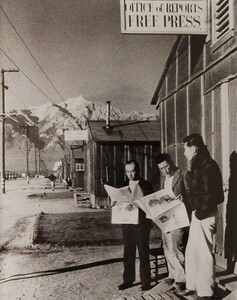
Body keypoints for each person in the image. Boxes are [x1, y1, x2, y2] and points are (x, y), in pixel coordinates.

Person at [179, 133, 224, 299]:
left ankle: (206, 293)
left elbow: (215, 195)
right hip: (199, 215)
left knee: (204, 253)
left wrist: (199, 212)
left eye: (186, 149)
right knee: (192, 252)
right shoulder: (199, 165)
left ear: (194, 149)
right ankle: (192, 286)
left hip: (205, 215)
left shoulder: (208, 166)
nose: (184, 153)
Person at [156, 153, 191, 292]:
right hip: (167, 218)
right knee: (167, 247)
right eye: (161, 169)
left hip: (180, 217)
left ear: (171, 162)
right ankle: (173, 275)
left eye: (166, 167)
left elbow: (192, 194)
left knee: (178, 247)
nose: (165, 170)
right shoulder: (165, 178)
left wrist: (184, 199)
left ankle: (182, 279)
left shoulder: (183, 174)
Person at [117, 160, 153, 291]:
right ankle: (128, 280)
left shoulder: (145, 185)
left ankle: (146, 282)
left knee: (143, 252)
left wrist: (141, 204)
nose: (130, 174)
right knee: (128, 252)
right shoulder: (122, 185)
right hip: (127, 223)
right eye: (127, 172)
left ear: (137, 170)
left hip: (141, 224)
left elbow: (151, 203)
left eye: (132, 171)